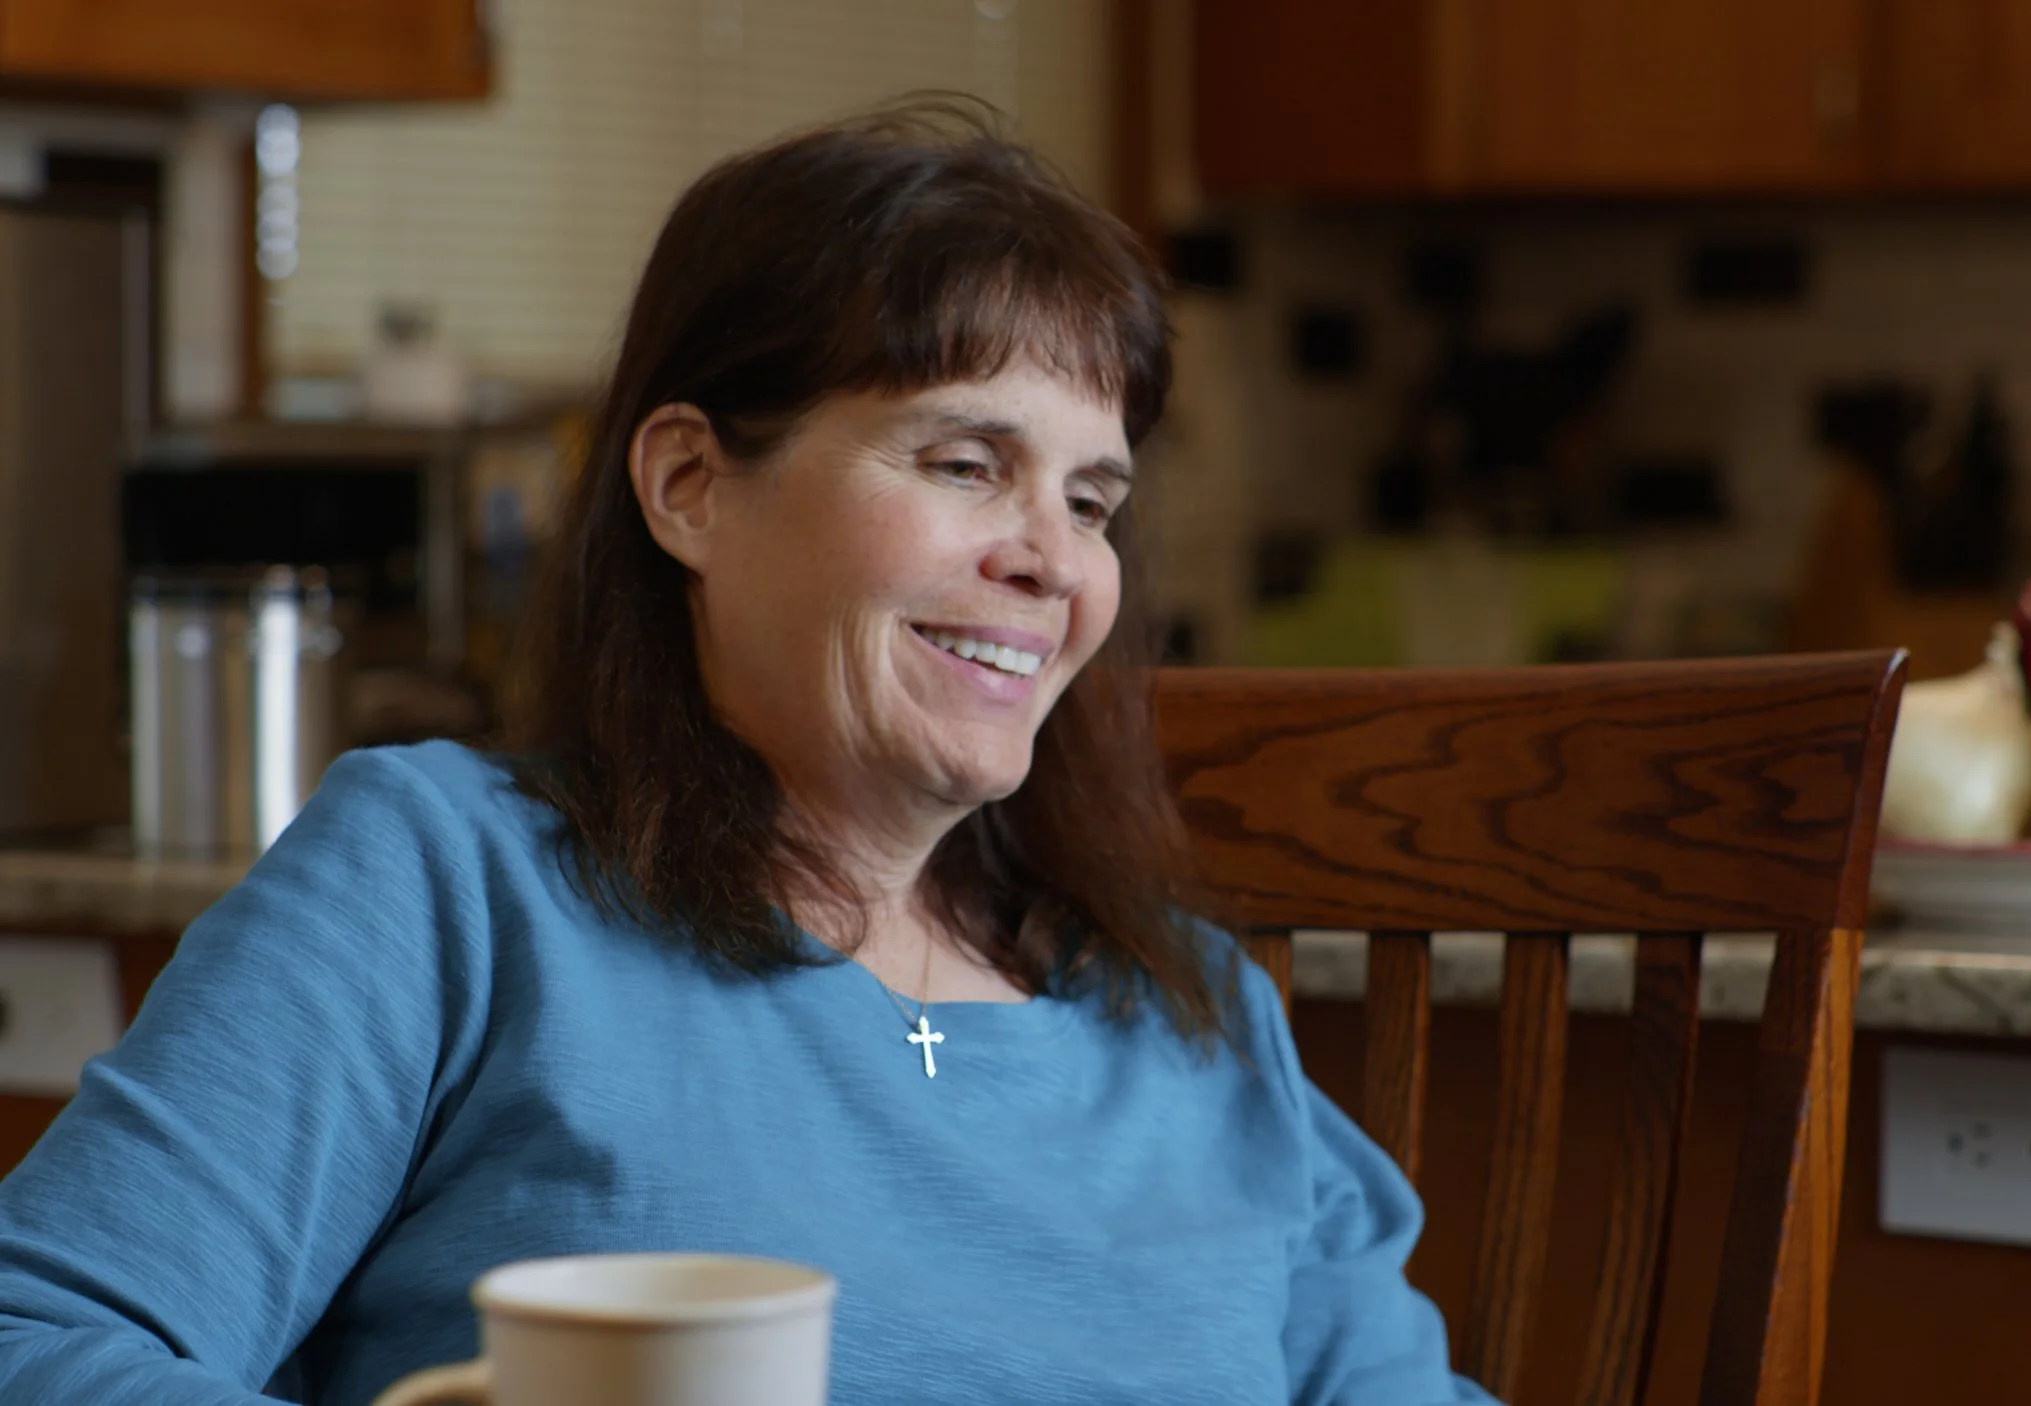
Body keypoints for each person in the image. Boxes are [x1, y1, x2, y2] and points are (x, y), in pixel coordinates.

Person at [0, 104, 1492, 1405]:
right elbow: (38, 1336)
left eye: (1093, 500)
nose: (1055, 561)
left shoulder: (1196, 1016)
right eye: (967, 463)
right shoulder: (445, 885)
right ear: (691, 486)